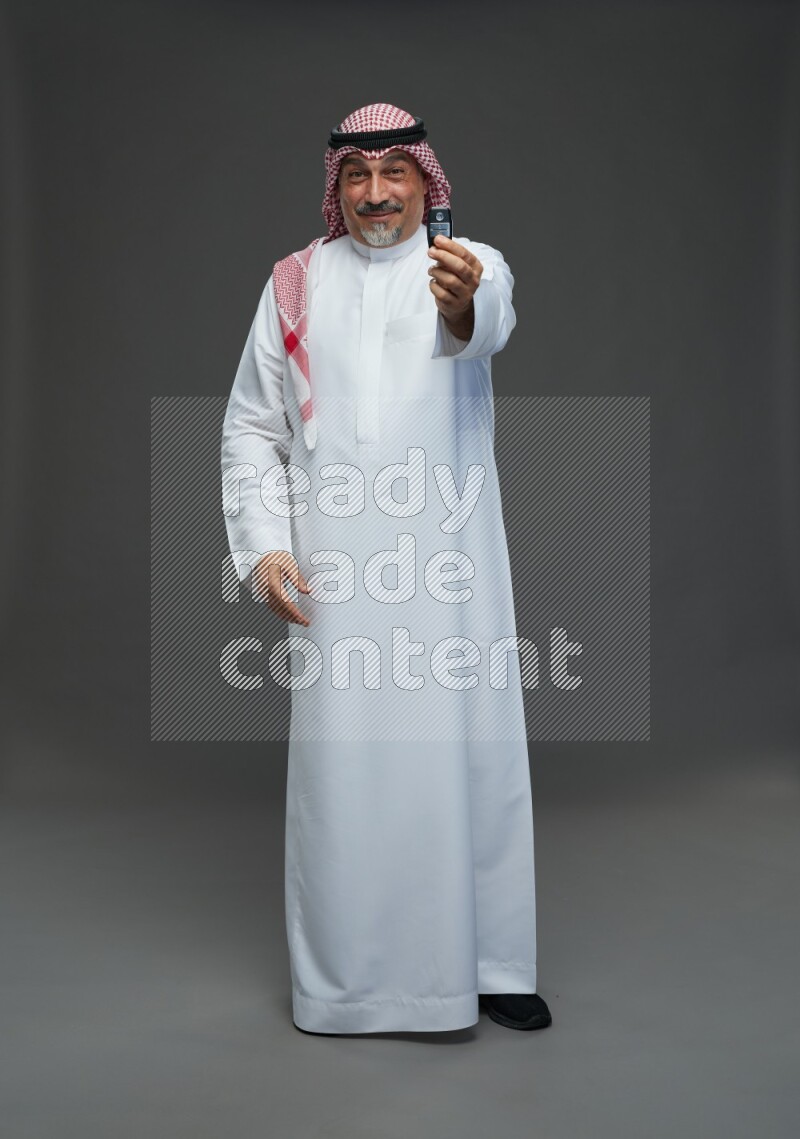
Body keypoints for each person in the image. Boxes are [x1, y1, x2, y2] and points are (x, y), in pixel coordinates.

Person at [220, 103, 552, 1034]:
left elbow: (486, 320)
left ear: (424, 182)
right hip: (336, 576)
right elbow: (253, 423)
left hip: (447, 569)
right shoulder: (295, 281)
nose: (376, 193)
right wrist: (267, 546)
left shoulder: (469, 259)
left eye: (395, 173)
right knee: (347, 772)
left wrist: (462, 299)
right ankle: (347, 985)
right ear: (338, 186)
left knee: (470, 753)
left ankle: (491, 961)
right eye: (358, 176)